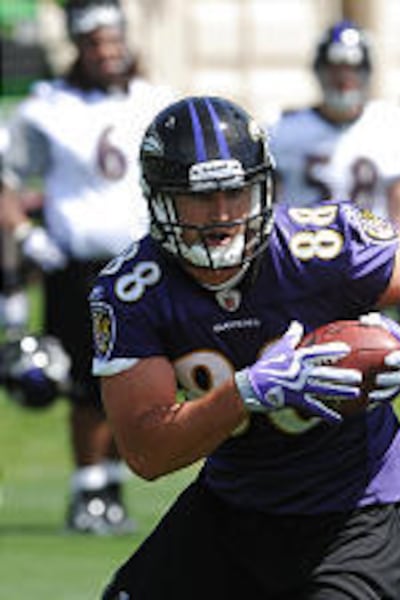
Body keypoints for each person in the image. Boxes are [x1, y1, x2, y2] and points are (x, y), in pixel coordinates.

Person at [95, 95, 400, 598]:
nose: (223, 213)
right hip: (233, 505)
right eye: (200, 197)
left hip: (357, 509)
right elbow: (147, 454)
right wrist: (245, 392)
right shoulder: (133, 290)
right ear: (159, 197)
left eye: (237, 192)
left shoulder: (318, 245)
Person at [0, 0, 172, 534]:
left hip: (143, 262)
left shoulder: (155, 100)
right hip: (75, 264)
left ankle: (116, 484)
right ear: (78, 47)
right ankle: (88, 490)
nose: (107, 51)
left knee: (137, 377)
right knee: (83, 382)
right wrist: (27, 234)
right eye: (95, 43)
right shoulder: (47, 106)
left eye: (113, 40)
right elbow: (7, 179)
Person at [266, 19, 400, 234]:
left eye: (353, 69)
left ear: (367, 73)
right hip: (305, 250)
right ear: (319, 71)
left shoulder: (390, 124)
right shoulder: (284, 130)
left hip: (371, 252)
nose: (344, 79)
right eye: (334, 69)